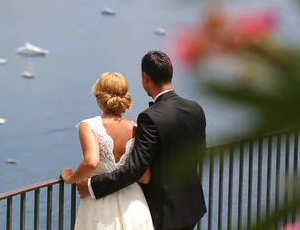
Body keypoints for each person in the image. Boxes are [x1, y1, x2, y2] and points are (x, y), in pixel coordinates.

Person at [76, 51, 207, 230]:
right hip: (191, 204)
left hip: (164, 210)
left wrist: (91, 186)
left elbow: (135, 169)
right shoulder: (195, 109)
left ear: (145, 77)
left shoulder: (150, 118)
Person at [60, 72, 154, 230]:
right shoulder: (135, 129)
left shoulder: (89, 125)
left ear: (99, 97)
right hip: (134, 206)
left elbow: (91, 161)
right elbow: (145, 177)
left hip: (99, 204)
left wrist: (70, 178)